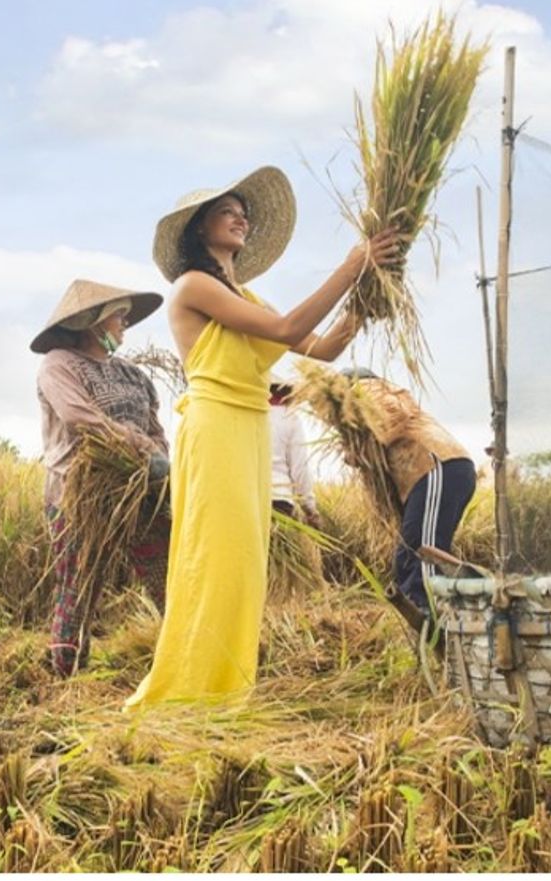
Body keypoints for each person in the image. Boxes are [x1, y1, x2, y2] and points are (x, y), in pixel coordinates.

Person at [125, 166, 400, 709]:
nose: (241, 218)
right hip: (215, 425)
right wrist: (350, 265)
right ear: (199, 229)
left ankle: (227, 691)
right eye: (227, 211)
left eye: (243, 212)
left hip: (250, 428)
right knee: (216, 557)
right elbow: (285, 332)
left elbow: (319, 347)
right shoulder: (193, 285)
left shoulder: (248, 295)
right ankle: (187, 693)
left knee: (245, 566)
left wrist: (367, 295)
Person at [32, 279, 170, 677]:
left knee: (167, 575)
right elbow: (80, 418)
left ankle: (185, 659)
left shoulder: (132, 374)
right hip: (79, 495)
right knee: (79, 585)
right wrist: (141, 449)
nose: (125, 324)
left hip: (141, 491)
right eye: (118, 316)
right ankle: (67, 677)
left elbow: (154, 425)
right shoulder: (59, 364)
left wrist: (159, 456)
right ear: (92, 322)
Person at [344, 368, 476, 622]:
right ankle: (431, 613)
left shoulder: (368, 390)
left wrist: (362, 446)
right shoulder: (373, 393)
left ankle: (429, 617)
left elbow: (393, 416)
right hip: (436, 473)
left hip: (435, 467)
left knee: (421, 551)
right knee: (410, 549)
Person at [269, 375, 320, 527]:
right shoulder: (290, 418)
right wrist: (310, 508)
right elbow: (300, 469)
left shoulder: (242, 414)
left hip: (244, 499)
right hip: (278, 500)